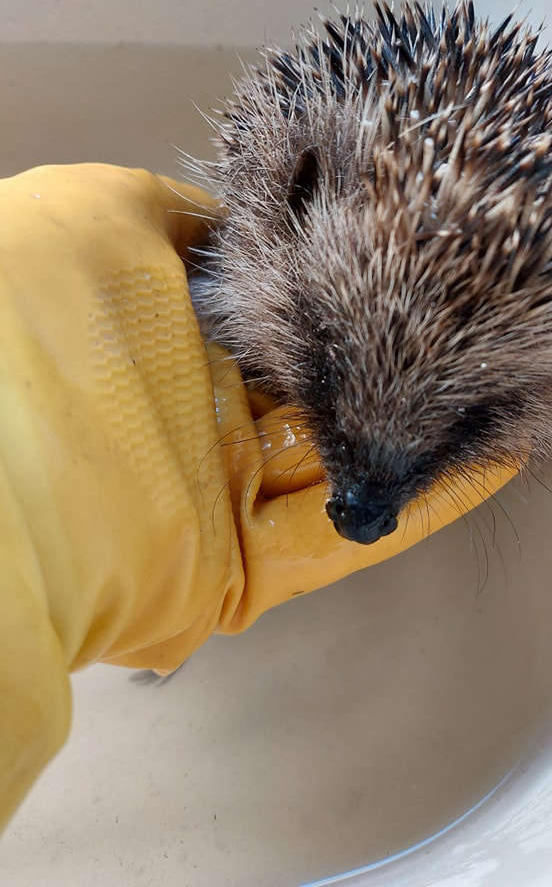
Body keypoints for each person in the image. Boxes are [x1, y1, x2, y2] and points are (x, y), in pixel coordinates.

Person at [0, 162, 518, 829]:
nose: (363, 508)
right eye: (336, 376)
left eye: (456, 416)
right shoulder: (289, 207)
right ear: (295, 210)